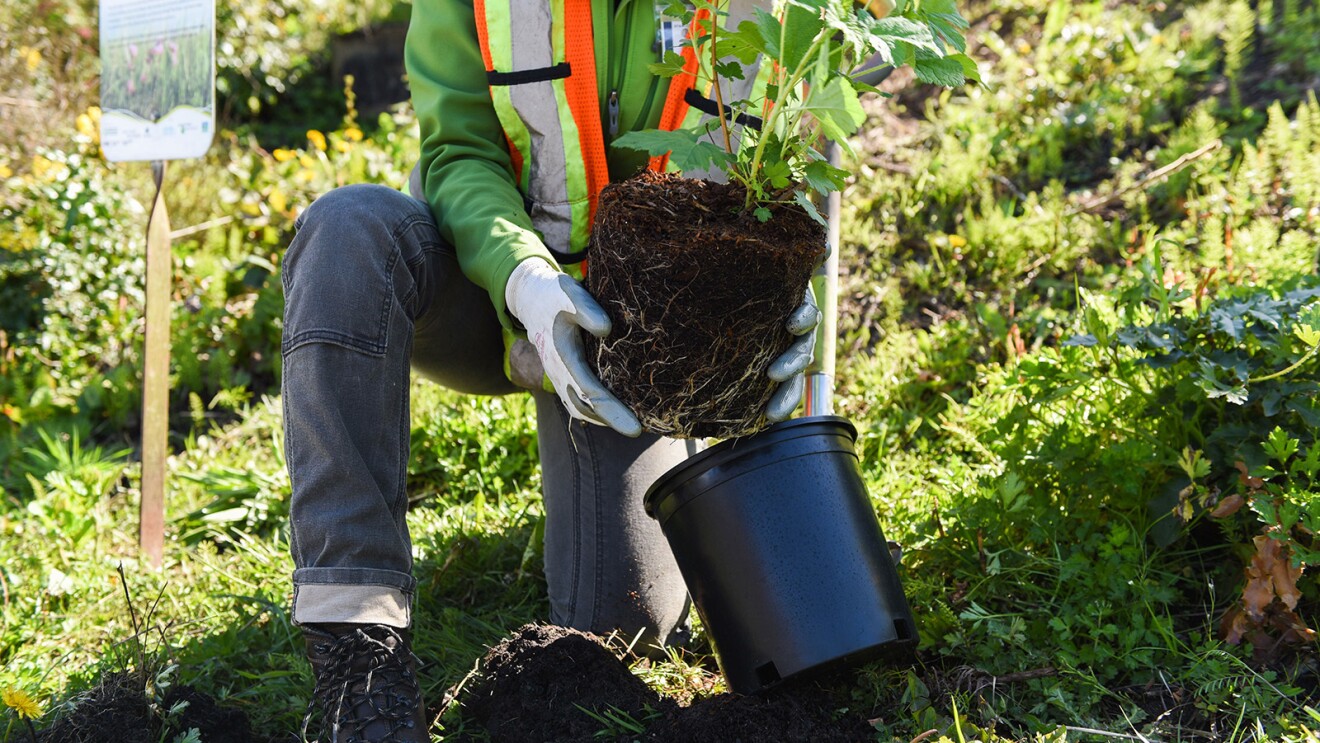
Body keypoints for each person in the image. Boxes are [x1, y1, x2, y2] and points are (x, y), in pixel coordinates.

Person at [280, 0, 817, 739]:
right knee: (347, 232)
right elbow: (456, 153)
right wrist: (526, 283)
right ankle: (357, 647)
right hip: (493, 290)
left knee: (627, 627)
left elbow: (794, 148)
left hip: (646, 353)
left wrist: (783, 279)